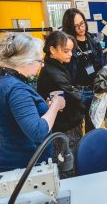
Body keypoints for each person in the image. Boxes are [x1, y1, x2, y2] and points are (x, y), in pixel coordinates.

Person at [0, 33, 65, 172]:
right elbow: (38, 131)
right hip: (26, 164)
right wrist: (55, 106)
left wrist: (45, 109)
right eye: (39, 61)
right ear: (26, 61)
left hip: (11, 156)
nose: (41, 65)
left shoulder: (0, 80)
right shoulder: (17, 89)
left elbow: (16, 116)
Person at [37, 31, 85, 178]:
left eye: (71, 50)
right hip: (64, 128)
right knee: (67, 166)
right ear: (52, 49)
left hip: (67, 124)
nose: (70, 54)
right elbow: (73, 96)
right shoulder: (53, 73)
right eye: (66, 51)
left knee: (72, 161)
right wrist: (78, 96)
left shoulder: (58, 65)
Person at [62, 8, 104, 133]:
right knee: (76, 128)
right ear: (70, 27)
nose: (81, 28)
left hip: (94, 89)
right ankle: (79, 151)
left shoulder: (93, 40)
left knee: (92, 125)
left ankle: (89, 151)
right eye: (76, 26)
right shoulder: (68, 45)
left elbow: (101, 63)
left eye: (82, 23)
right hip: (77, 91)